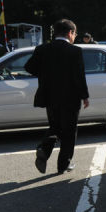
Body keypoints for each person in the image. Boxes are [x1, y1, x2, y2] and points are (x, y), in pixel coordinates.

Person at [25, 19, 90, 174]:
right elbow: (79, 76)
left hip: (49, 96)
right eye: (75, 33)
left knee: (55, 126)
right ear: (70, 33)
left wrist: (45, 73)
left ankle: (43, 149)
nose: (75, 37)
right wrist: (84, 96)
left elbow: (29, 67)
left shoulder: (42, 49)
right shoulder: (75, 51)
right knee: (69, 131)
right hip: (70, 97)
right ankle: (63, 164)